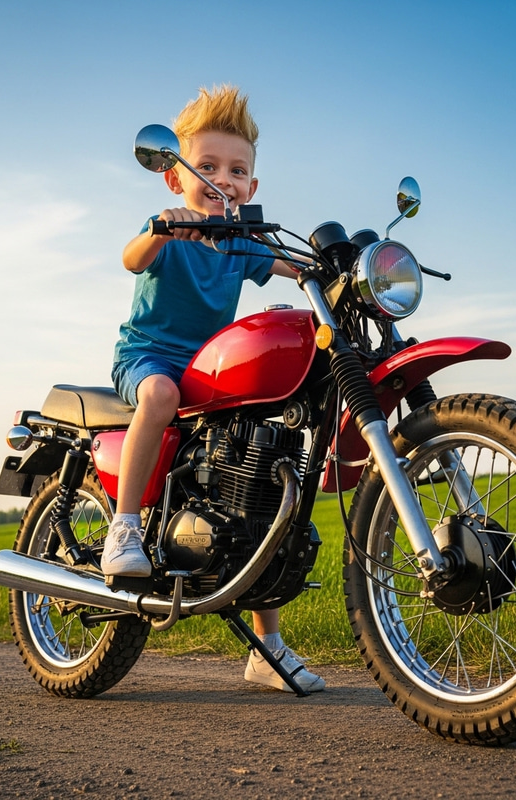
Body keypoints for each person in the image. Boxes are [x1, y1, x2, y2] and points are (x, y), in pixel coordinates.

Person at [100, 85, 324, 694]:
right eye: (207, 167)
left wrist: (331, 268)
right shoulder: (169, 231)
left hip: (208, 368)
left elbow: (288, 267)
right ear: (176, 178)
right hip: (149, 359)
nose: (222, 178)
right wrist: (159, 228)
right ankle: (125, 525)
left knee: (260, 463)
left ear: (251, 189)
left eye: (237, 170)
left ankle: (267, 647)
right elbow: (130, 257)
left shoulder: (239, 245)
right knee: (160, 398)